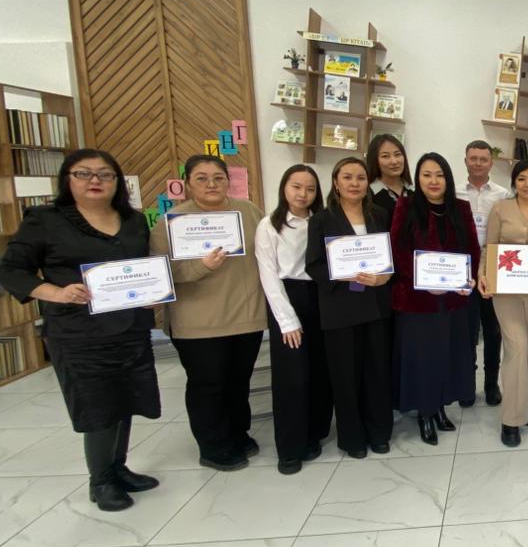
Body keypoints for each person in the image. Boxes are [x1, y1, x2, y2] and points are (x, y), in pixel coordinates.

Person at [0, 149, 161, 512]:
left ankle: (118, 467)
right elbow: (10, 270)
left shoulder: (133, 220)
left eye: (105, 174)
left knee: (126, 399)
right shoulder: (45, 220)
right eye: (84, 173)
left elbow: (141, 268)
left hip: (129, 327)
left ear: (117, 182)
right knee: (98, 405)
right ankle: (100, 481)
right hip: (79, 333)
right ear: (67, 179)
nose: (95, 181)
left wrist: (152, 294)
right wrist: (55, 292)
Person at [150, 154, 266, 471]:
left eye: (218, 177)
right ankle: (213, 446)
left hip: (246, 316)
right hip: (197, 322)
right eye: (201, 178)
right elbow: (159, 272)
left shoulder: (249, 212)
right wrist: (200, 267)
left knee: (238, 381)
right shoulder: (171, 222)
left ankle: (237, 433)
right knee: (208, 384)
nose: (211, 184)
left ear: (228, 181)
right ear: (188, 184)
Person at [306, 157, 394, 457]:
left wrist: (384, 277)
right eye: (347, 177)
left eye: (360, 177)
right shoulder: (321, 219)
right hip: (340, 308)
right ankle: (352, 438)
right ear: (336, 182)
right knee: (345, 376)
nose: (354, 183)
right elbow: (314, 264)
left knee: (377, 371)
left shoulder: (379, 214)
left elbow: (390, 258)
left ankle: (379, 432)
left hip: (375, 305)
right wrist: (339, 273)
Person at [390, 153, 481, 444]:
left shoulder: (461, 208)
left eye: (439, 175)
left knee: (447, 355)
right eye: (426, 174)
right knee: (422, 358)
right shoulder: (406, 206)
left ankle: (440, 406)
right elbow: (397, 249)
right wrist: (424, 281)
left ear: (448, 178)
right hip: (417, 301)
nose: (433, 181)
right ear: (417, 178)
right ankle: (425, 413)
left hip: (453, 300)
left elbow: (472, 248)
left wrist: (469, 277)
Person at [254, 164, 332, 474]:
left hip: (321, 298)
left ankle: (314, 434)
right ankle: (289, 448)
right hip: (287, 299)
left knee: (320, 371)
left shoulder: (322, 221)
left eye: (310, 189)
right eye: (296, 187)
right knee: (292, 377)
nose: (303, 194)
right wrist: (287, 321)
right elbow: (268, 275)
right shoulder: (269, 225)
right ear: (284, 188)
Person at [478, 159, 528, 446]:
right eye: (521, 178)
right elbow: (489, 247)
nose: (527, 184)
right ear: (514, 183)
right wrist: (483, 275)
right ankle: (511, 419)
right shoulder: (500, 209)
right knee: (517, 346)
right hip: (505, 290)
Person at [461, 140, 507, 407]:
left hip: (492, 268)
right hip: (463, 269)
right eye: (473, 158)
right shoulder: (454, 192)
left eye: (483, 159)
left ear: (491, 163)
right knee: (466, 332)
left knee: (493, 331)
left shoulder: (503, 195)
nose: (478, 163)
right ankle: (466, 384)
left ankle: (491, 384)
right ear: (465, 161)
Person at [368, 133, 413, 216]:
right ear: (374, 160)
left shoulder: (413, 191)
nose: (394, 161)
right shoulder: (368, 194)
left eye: (397, 154)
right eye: (385, 156)